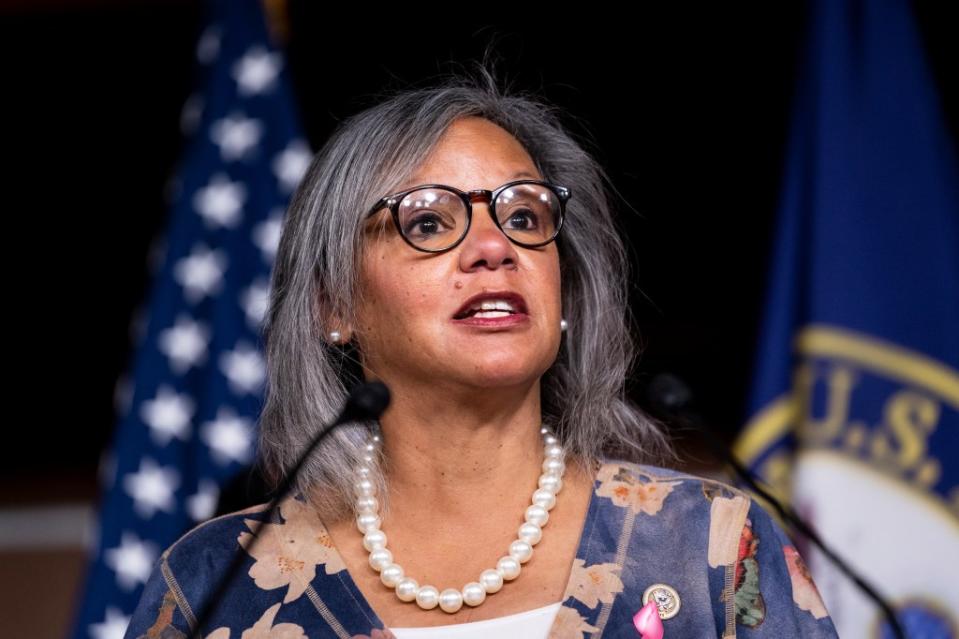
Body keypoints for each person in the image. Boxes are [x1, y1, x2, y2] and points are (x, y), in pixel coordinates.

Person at [124, 60, 839, 639]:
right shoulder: (220, 581)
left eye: (524, 213)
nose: (494, 247)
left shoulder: (708, 546)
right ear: (333, 305)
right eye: (429, 222)